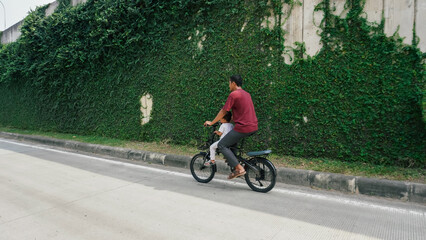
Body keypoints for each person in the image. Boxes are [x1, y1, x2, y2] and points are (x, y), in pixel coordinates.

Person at [204, 74, 258, 179]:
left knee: (222, 145)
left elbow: (224, 111)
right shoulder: (247, 94)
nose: (229, 85)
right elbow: (241, 112)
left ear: (233, 83)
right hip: (253, 126)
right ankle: (233, 160)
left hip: (243, 127)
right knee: (232, 141)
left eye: (229, 83)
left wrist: (212, 122)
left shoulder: (234, 94)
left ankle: (239, 169)